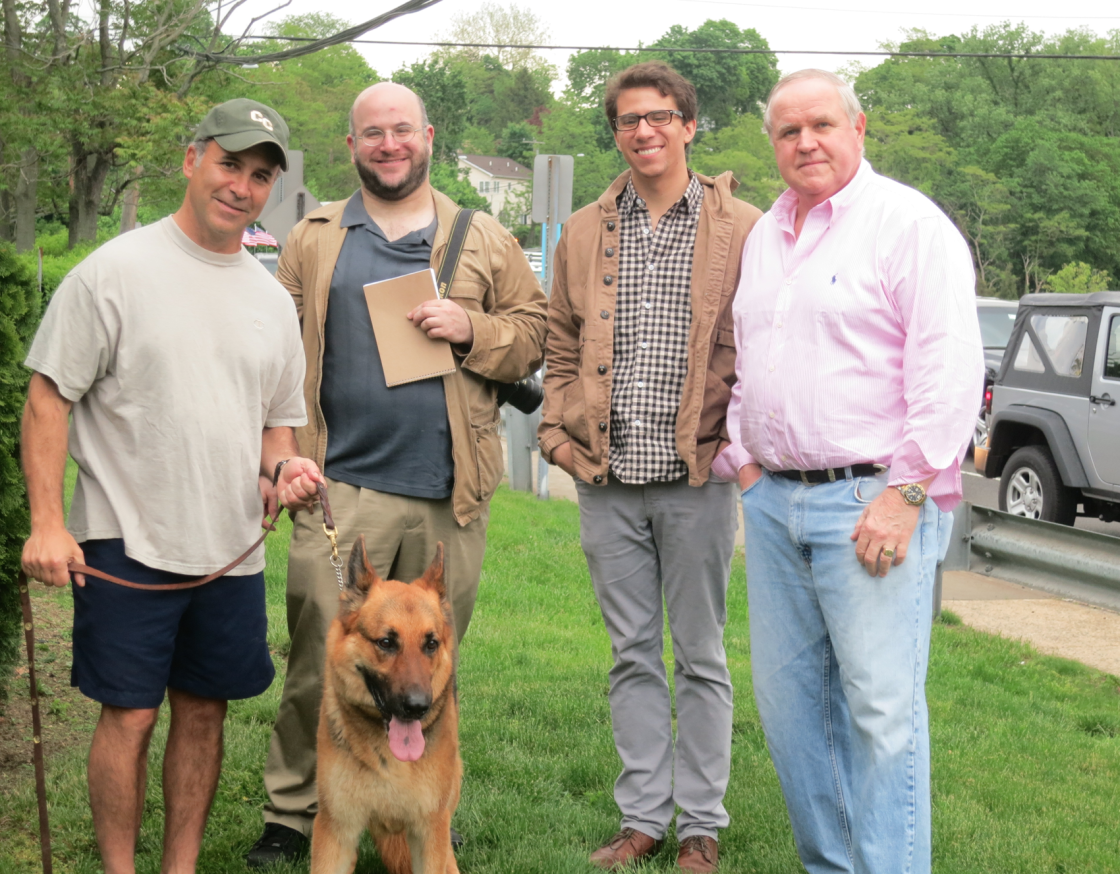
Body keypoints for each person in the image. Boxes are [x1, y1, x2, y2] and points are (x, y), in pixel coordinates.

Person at [248, 81, 548, 866]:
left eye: (402, 131)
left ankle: (418, 802)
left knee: (423, 660)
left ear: (428, 136)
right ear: (352, 146)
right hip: (341, 488)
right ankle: (295, 809)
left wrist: (470, 326)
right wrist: (276, 456)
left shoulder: (483, 236)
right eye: (372, 133)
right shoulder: (313, 236)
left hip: (452, 490)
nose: (389, 144)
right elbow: (274, 350)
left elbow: (533, 335)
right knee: (325, 650)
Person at [20, 98, 323, 874]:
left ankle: (178, 866)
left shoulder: (268, 300)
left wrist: (282, 469)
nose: (242, 186)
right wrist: (49, 523)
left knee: (204, 712)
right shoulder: (115, 272)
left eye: (261, 175)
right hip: (127, 537)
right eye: (230, 164)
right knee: (129, 716)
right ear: (191, 160)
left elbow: (276, 427)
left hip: (229, 550)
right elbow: (49, 398)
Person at [711, 69, 983, 874]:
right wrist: (745, 462)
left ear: (858, 128)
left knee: (879, 714)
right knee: (792, 716)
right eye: (788, 131)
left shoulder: (908, 225)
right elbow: (749, 353)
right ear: (773, 144)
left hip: (875, 501)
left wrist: (905, 494)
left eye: (821, 125)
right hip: (775, 505)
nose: (806, 142)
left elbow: (948, 368)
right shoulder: (768, 236)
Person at [539, 62, 761, 873]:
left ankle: (700, 822)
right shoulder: (587, 229)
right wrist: (558, 441)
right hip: (606, 479)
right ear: (616, 132)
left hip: (696, 478)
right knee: (631, 653)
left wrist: (739, 447)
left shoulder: (743, 225)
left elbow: (763, 347)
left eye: (660, 117)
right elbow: (560, 343)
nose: (644, 132)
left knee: (701, 655)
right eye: (628, 120)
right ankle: (642, 819)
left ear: (689, 126)